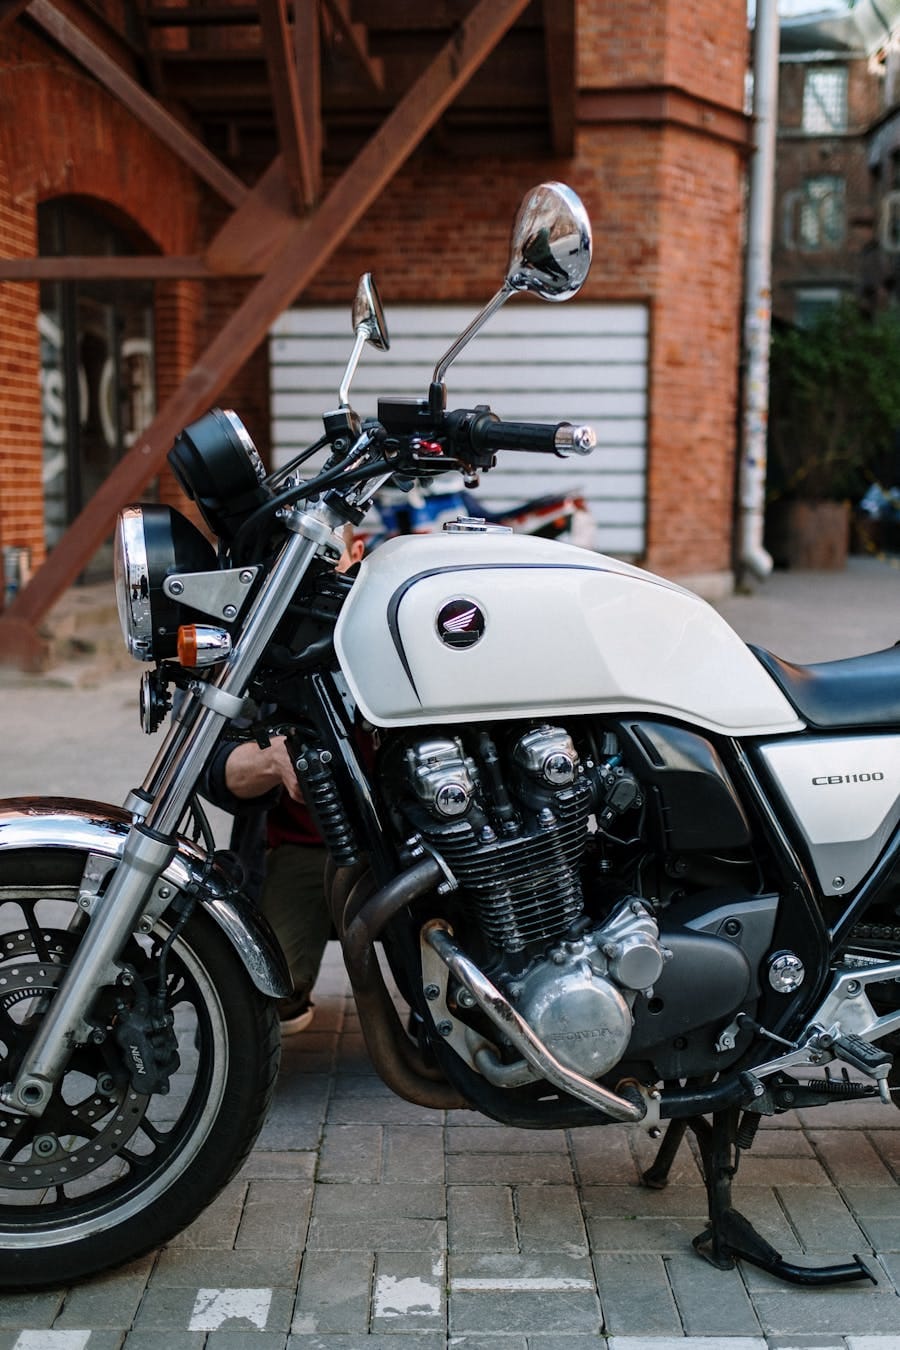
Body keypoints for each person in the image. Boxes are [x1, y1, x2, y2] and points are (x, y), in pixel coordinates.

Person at [202, 526, 364, 1033]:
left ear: (356, 553)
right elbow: (212, 770)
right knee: (265, 1000)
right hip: (304, 850)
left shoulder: (399, 621)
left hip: (414, 851)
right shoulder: (258, 645)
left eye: (323, 555)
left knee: (460, 1010)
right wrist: (271, 760)